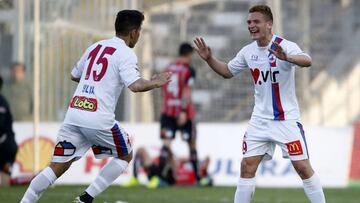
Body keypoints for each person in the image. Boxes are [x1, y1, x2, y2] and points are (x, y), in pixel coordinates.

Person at [20, 10, 171, 203]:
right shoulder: (126, 54)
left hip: (74, 114)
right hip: (98, 118)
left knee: (56, 167)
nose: (139, 35)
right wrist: (155, 82)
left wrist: (94, 84)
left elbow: (75, 74)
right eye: (140, 31)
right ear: (134, 32)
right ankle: (86, 198)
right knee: (126, 155)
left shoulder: (96, 47)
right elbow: (136, 85)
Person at [194, 5, 325, 203]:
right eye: (249, 22)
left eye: (256, 22)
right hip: (259, 121)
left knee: (303, 168)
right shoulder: (248, 52)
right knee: (247, 166)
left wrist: (287, 57)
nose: (251, 26)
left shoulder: (284, 45)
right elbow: (227, 72)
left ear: (269, 24)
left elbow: (308, 60)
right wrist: (209, 58)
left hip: (286, 120)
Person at [159, 43, 200, 183]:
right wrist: (182, 110)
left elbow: (161, 87)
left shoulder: (168, 68)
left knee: (166, 143)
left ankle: (159, 178)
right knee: (191, 143)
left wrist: (167, 103)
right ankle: (197, 178)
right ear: (189, 54)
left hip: (168, 110)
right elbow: (187, 91)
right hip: (184, 112)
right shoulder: (189, 70)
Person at [0, 75, 18, 186]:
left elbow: (1, 124)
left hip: (5, 146)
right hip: (6, 145)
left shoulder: (1, 102)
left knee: (5, 175)